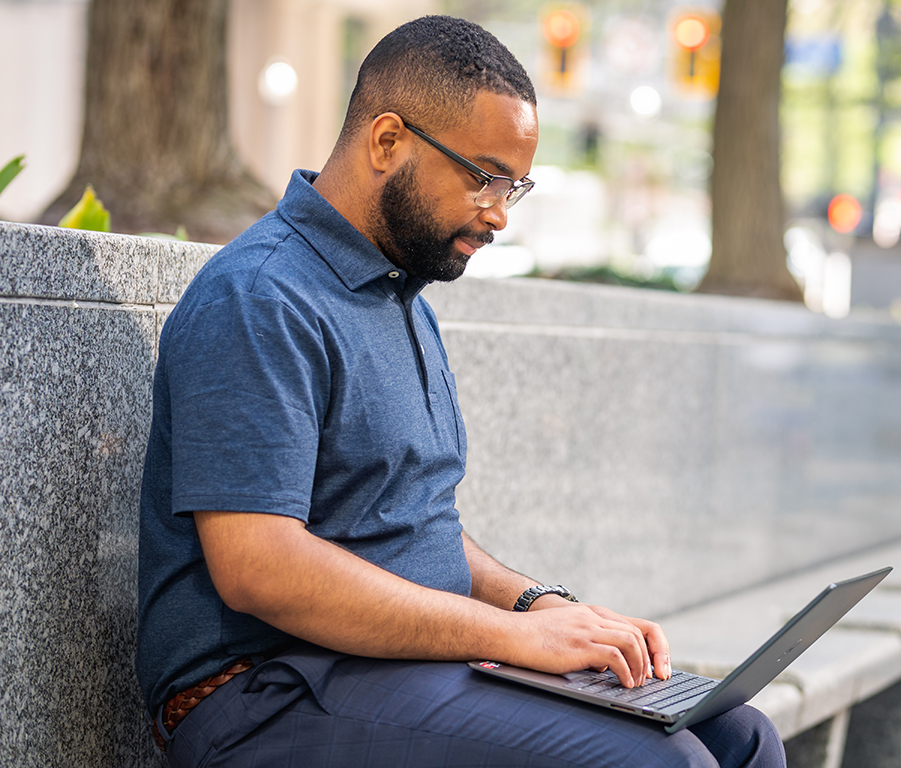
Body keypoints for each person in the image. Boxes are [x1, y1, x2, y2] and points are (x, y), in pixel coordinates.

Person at [136, 16, 785, 768]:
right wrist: (516, 639)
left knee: (740, 737)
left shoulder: (399, 293)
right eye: (482, 175)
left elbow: (416, 522)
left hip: (392, 670)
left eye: (515, 184)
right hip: (259, 695)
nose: (500, 212)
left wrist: (537, 604)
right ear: (387, 141)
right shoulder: (260, 297)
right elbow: (260, 568)